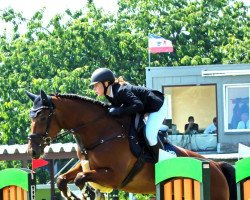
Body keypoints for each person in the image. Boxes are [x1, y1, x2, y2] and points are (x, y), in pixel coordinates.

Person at [90, 68, 167, 161]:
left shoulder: (121, 91)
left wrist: (119, 111)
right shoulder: (109, 94)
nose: (94, 89)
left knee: (149, 135)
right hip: (144, 108)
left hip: (157, 105)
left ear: (105, 83)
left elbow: (138, 105)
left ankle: (163, 161)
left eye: (96, 85)